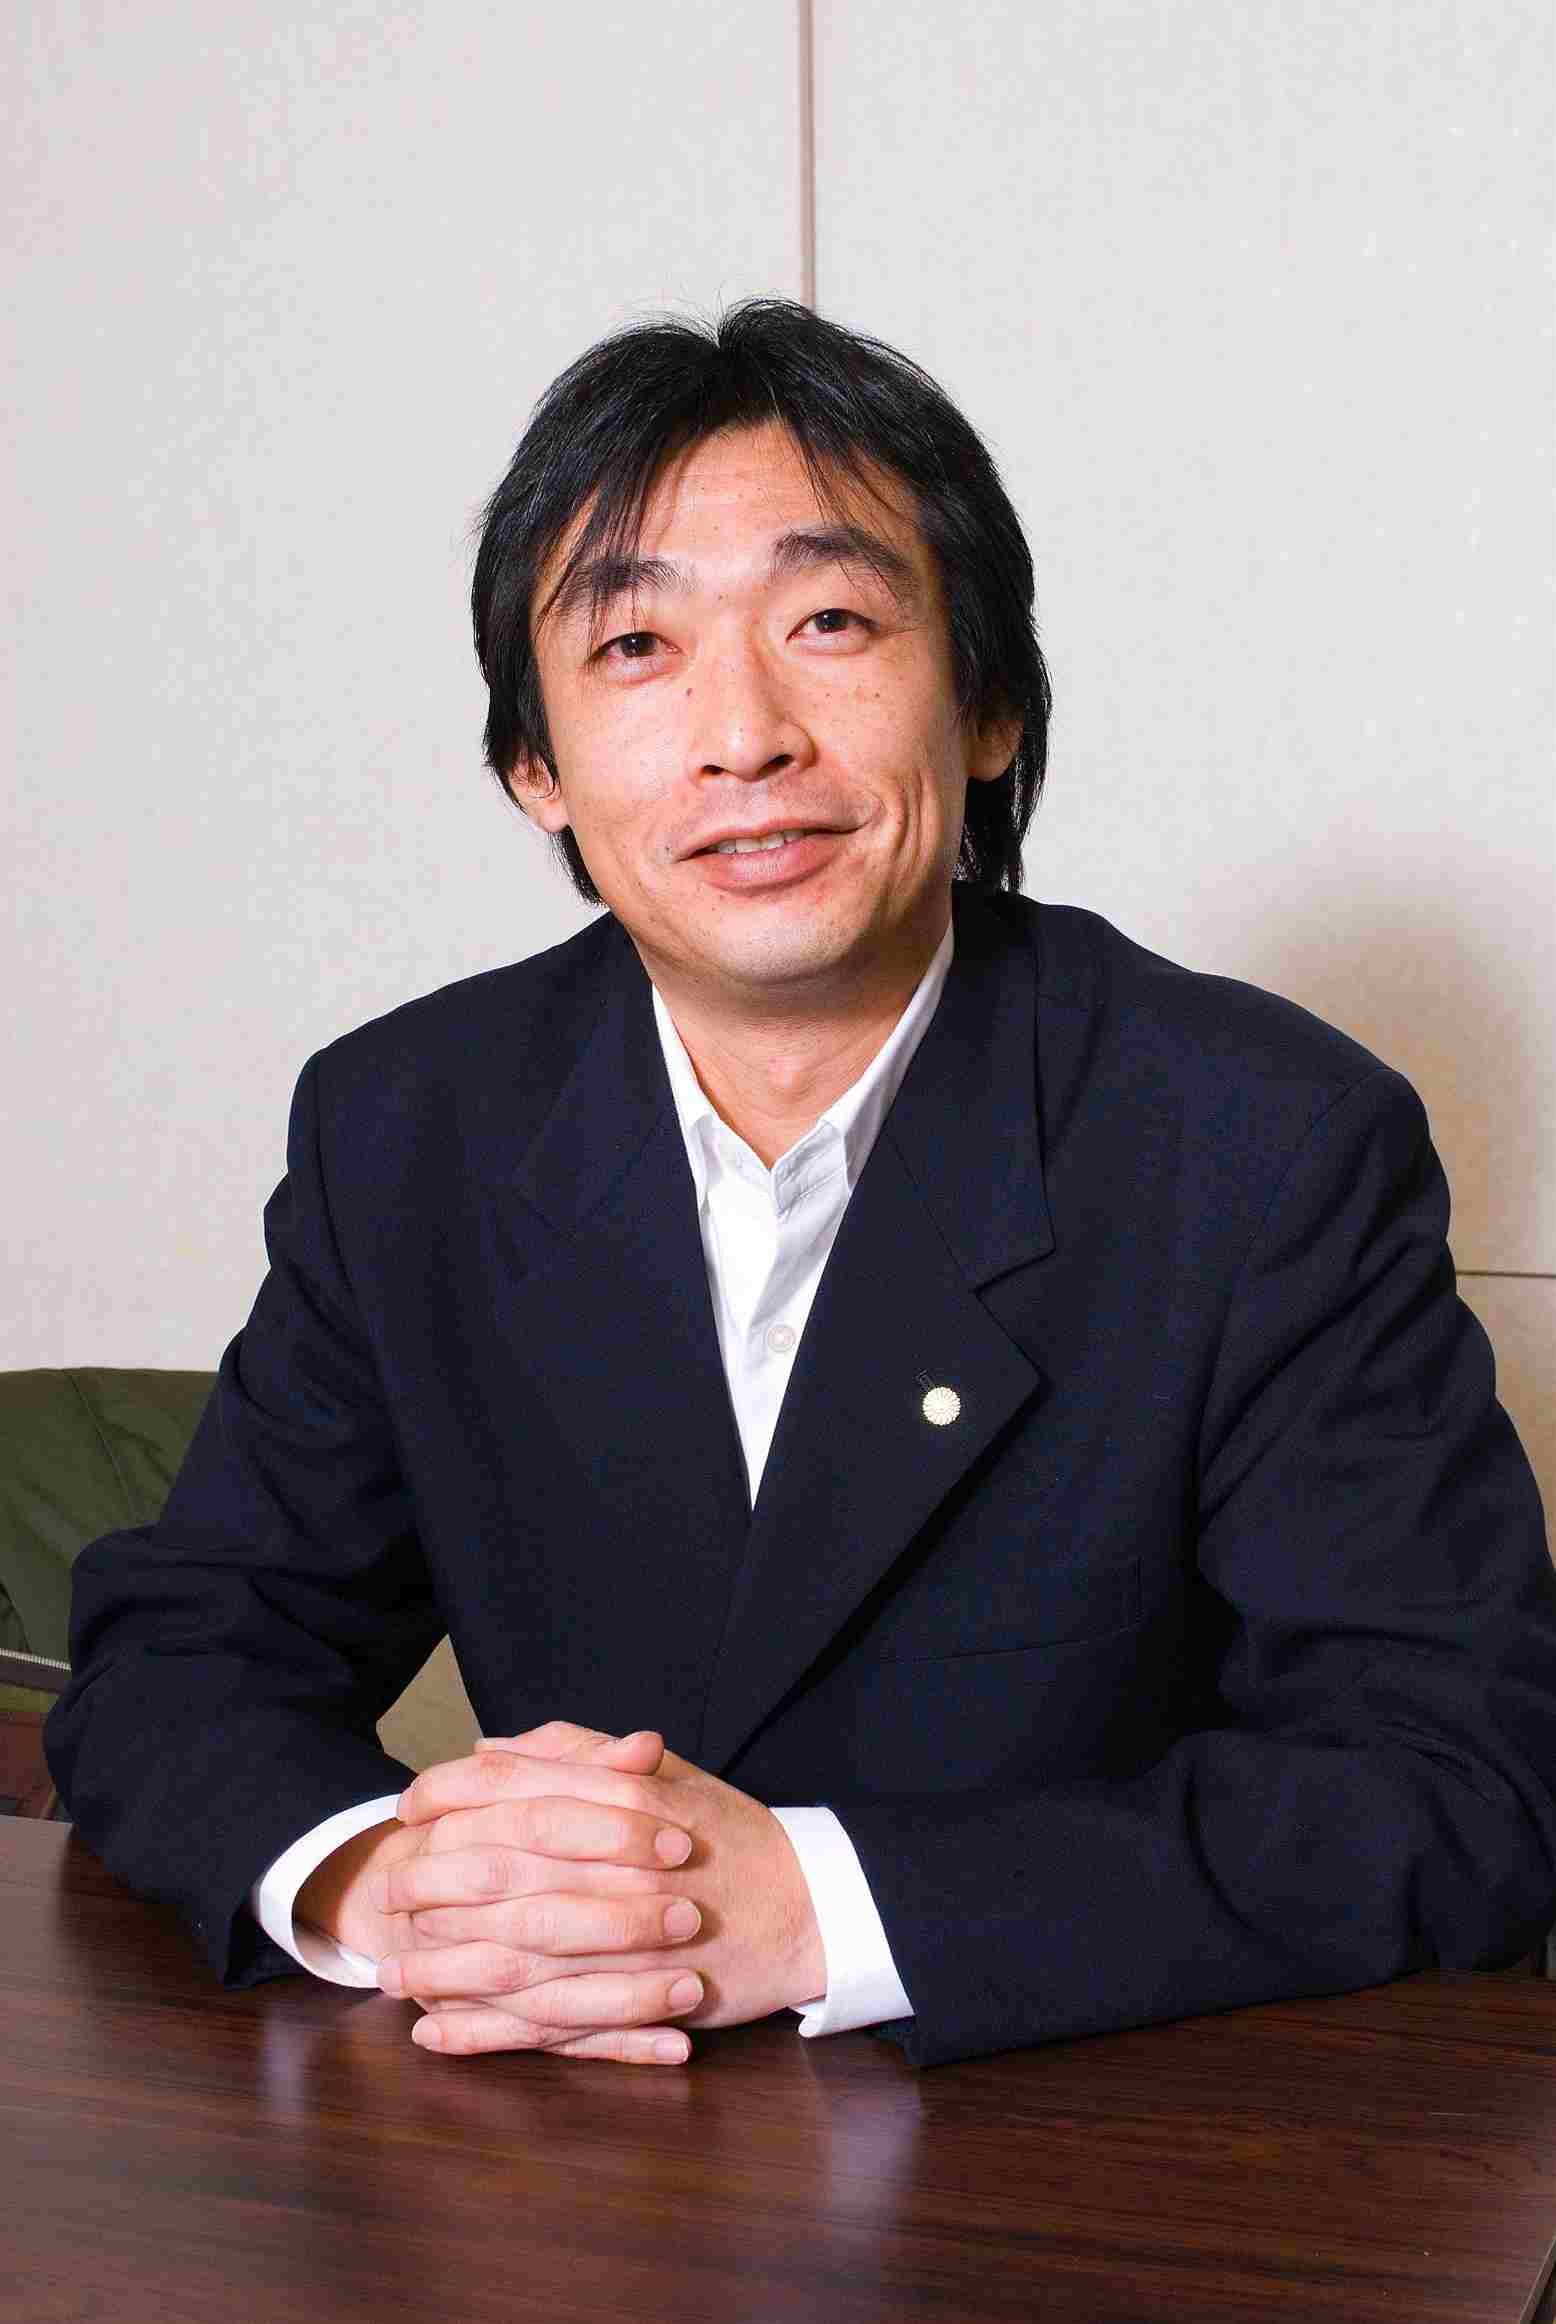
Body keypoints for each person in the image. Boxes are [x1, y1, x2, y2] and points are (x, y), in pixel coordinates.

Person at [45, 297, 1556, 2072]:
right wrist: (394, 1883)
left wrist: (822, 1909)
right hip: (563, 2142)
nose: (744, 734)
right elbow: (189, 1651)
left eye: (830, 621)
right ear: (534, 766)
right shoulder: (411, 1124)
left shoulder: (1259, 1137)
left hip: (1100, 2143)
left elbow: (1461, 1782)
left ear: (987, 705)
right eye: (635, 647)